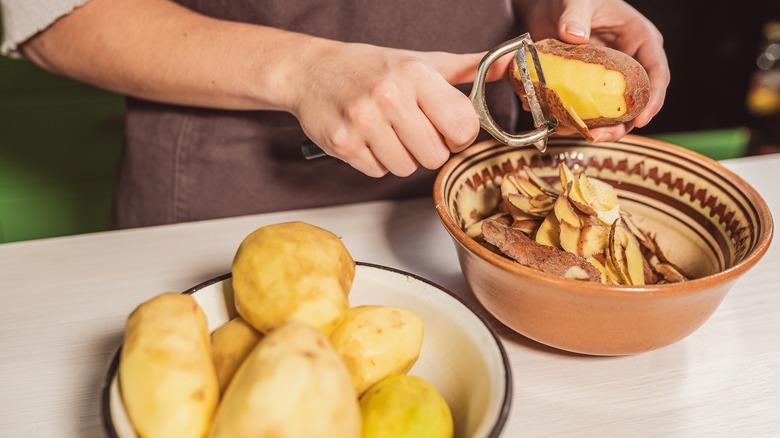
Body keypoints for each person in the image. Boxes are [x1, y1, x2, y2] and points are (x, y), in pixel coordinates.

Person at [0, 0, 669, 229]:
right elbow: (53, 17)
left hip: (484, 199)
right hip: (232, 204)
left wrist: (553, 12)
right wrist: (304, 71)